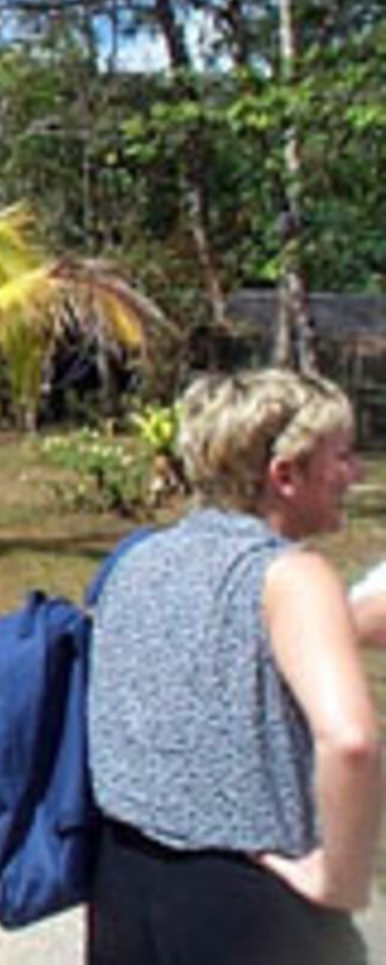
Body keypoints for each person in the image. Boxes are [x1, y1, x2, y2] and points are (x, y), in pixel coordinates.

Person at [86, 369, 377, 963]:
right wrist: (340, 880)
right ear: (285, 475)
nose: (357, 475)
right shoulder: (292, 577)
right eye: (343, 457)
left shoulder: (139, 559)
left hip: (124, 883)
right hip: (251, 903)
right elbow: (351, 743)